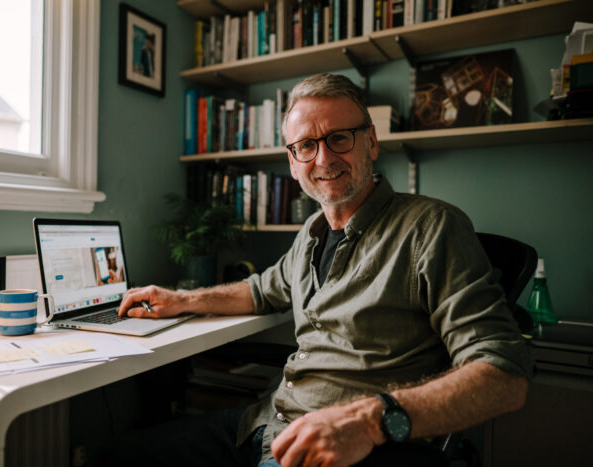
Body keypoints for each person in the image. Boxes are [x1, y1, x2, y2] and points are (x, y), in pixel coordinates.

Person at [113, 73, 532, 467]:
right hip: (268, 424)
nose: (324, 157)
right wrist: (181, 300)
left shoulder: (431, 227)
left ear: (371, 142)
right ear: (293, 161)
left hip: (354, 449)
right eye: (307, 145)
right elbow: (261, 291)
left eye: (339, 138)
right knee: (120, 455)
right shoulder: (312, 232)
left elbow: (503, 375)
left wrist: (368, 421)